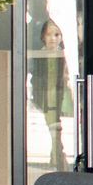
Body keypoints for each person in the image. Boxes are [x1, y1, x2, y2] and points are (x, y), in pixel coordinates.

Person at [29, 17, 73, 170]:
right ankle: (59, 163)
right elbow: (36, 78)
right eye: (49, 35)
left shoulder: (64, 56)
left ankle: (57, 162)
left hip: (61, 98)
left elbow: (66, 79)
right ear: (43, 37)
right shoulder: (39, 56)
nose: (53, 39)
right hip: (46, 99)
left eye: (56, 35)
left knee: (56, 130)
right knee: (54, 130)